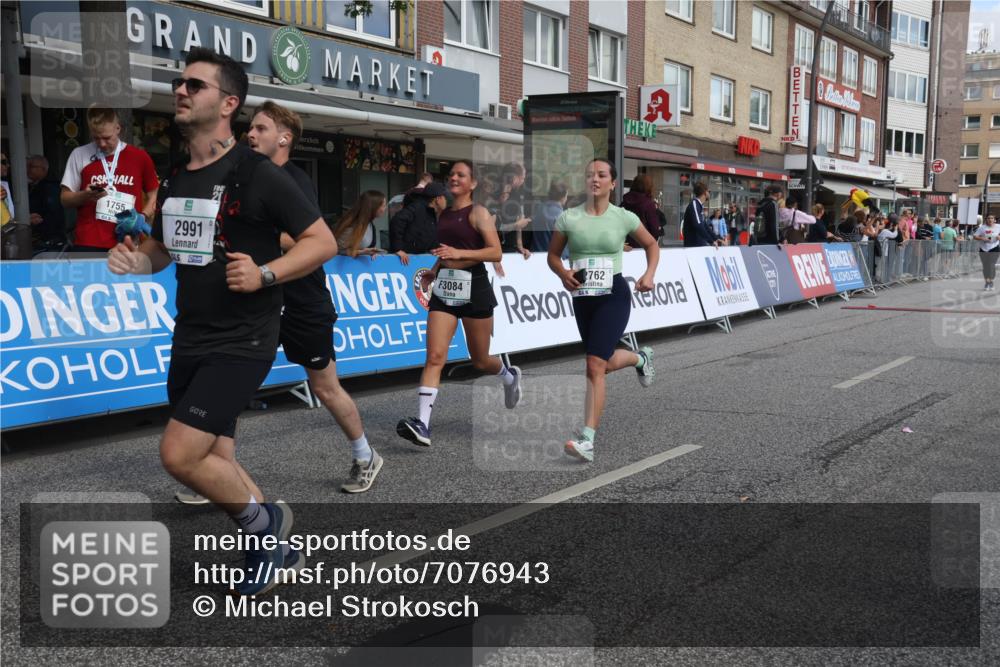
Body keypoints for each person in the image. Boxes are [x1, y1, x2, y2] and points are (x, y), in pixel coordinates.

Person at [107, 48, 336, 595]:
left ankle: (268, 531)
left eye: (194, 85)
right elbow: (167, 250)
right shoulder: (178, 176)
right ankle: (270, 538)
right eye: (178, 84)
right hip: (191, 333)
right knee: (213, 456)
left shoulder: (257, 174)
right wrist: (141, 261)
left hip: (245, 337)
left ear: (228, 103)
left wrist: (266, 275)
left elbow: (322, 241)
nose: (180, 91)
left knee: (179, 454)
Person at [174, 100, 382, 503]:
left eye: (262, 129)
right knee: (226, 386)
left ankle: (365, 454)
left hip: (302, 302)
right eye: (250, 128)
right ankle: (216, 470)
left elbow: (309, 239)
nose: (251, 134)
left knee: (324, 387)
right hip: (255, 305)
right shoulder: (241, 177)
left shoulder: (289, 179)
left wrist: (259, 248)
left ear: (284, 138)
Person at [396, 160, 522, 448]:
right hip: (446, 289)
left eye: (460, 175)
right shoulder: (444, 214)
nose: (453, 178)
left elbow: (496, 252)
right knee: (435, 356)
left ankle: (508, 375)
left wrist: (458, 252)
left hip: (474, 288)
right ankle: (423, 425)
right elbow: (447, 251)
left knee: (480, 360)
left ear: (473, 183)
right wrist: (434, 269)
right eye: (451, 174)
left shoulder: (478, 213)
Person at [546, 158, 659, 463]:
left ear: (612, 183)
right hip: (583, 296)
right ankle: (640, 358)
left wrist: (648, 275)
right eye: (588, 175)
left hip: (614, 295)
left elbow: (651, 245)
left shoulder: (624, 217)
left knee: (594, 365)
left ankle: (587, 440)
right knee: (604, 363)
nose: (594, 179)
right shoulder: (569, 218)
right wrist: (561, 273)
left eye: (601, 175)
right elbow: (553, 256)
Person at [60, 107, 159, 252]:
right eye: (96, 138)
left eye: (106, 138)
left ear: (118, 128)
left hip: (127, 242)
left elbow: (154, 194)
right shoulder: (79, 154)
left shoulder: (139, 157)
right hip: (89, 242)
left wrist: (142, 217)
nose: (101, 144)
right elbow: (64, 199)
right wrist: (85, 195)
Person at [389, 181, 446, 265]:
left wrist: (435, 248)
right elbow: (397, 220)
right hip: (405, 261)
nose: (446, 201)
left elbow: (427, 234)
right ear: (438, 199)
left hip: (418, 260)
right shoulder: (417, 208)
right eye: (444, 197)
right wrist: (398, 249)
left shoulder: (430, 212)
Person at [26, 155, 66, 252]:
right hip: (38, 236)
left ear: (43, 169)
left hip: (49, 239)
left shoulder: (50, 187)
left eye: (31, 166)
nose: (27, 169)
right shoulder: (33, 185)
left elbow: (54, 213)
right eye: (27, 166)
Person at [334, 190, 386, 258]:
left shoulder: (370, 225)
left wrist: (370, 252)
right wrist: (360, 252)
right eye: (383, 205)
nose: (385, 208)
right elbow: (336, 250)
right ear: (374, 207)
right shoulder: (352, 226)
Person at [622, 173, 663, 246]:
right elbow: (654, 230)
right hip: (643, 247)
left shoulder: (624, 202)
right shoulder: (648, 205)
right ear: (649, 187)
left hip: (625, 245)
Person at [529, 180, 568, 255]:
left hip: (536, 257)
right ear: (563, 197)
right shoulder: (560, 216)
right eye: (566, 196)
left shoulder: (539, 209)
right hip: (552, 260)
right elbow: (563, 249)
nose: (567, 199)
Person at [682, 181, 722, 247]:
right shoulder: (694, 204)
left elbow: (705, 226)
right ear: (705, 192)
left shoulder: (700, 206)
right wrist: (711, 241)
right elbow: (698, 225)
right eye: (709, 191)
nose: (710, 193)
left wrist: (716, 238)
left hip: (700, 245)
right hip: (693, 246)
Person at [973, 213, 999, 290]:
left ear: (994, 220)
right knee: (985, 266)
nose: (990, 220)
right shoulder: (982, 228)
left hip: (994, 248)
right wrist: (983, 239)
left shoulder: (998, 227)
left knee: (991, 265)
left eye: (992, 218)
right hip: (983, 249)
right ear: (986, 220)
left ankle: (990, 282)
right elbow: (975, 236)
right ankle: (987, 282)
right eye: (988, 218)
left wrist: (998, 237)